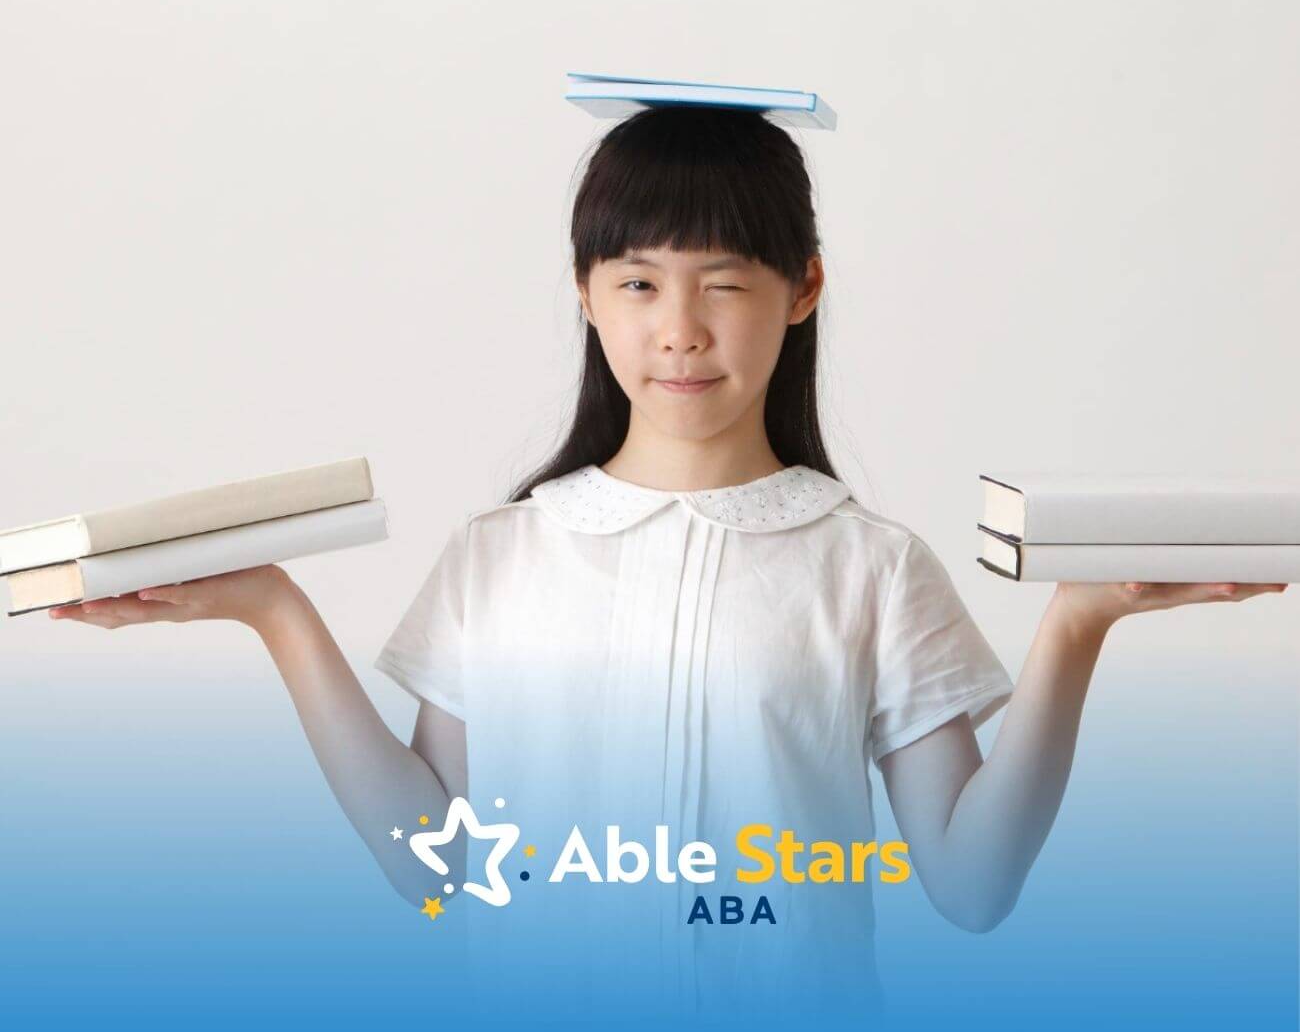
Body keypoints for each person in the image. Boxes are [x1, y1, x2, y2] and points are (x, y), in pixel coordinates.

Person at [49, 105, 1287, 1026]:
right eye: (638, 281)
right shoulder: (503, 556)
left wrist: (1074, 627)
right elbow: (438, 867)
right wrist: (274, 610)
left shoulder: (867, 568)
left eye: (723, 283)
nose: (679, 327)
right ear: (586, 294)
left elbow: (967, 888)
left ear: (801, 290)